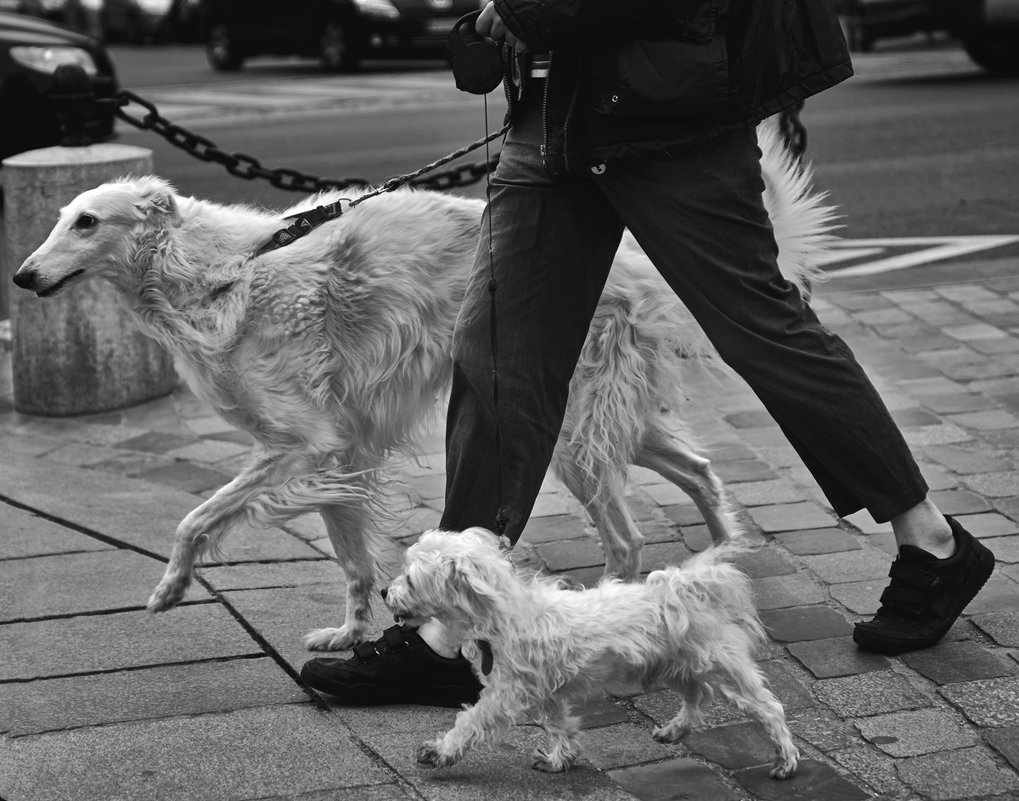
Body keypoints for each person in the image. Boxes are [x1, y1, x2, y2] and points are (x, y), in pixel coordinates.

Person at [301, 0, 995, 706]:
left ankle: (932, 542)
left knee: (762, 329)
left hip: (672, 113)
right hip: (557, 111)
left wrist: (522, 11)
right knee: (495, 354)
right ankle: (445, 633)